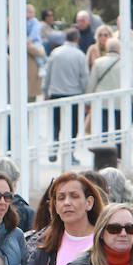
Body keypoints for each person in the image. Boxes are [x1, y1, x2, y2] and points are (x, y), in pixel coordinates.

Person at [44, 28, 89, 164]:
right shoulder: (80, 55)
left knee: (55, 124)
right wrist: (85, 93)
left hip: (56, 94)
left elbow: (48, 74)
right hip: (73, 94)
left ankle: (53, 151)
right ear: (77, 39)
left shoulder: (55, 53)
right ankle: (69, 154)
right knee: (73, 126)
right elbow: (84, 77)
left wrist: (46, 91)